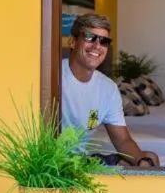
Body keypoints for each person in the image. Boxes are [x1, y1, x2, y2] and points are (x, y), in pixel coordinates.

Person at [62, 13, 159, 167]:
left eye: (104, 41)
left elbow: (123, 140)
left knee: (150, 158)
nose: (97, 46)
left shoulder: (108, 88)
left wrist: (141, 161)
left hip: (80, 162)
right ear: (73, 42)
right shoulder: (53, 76)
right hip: (50, 162)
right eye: (90, 37)